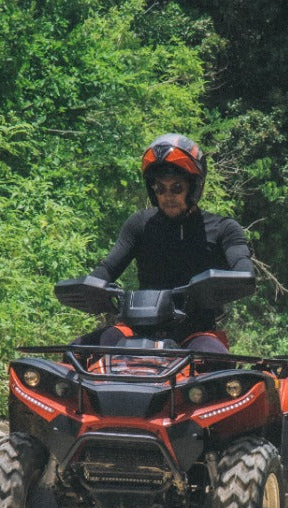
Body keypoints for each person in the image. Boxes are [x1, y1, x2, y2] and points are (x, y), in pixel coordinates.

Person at [81, 133, 254, 353]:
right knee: (77, 350)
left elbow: (244, 269)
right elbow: (107, 269)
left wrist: (228, 283)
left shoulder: (224, 229)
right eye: (160, 189)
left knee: (216, 359)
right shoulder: (139, 224)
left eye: (176, 188)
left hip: (195, 333)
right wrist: (90, 288)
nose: (167, 195)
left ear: (194, 187)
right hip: (138, 329)